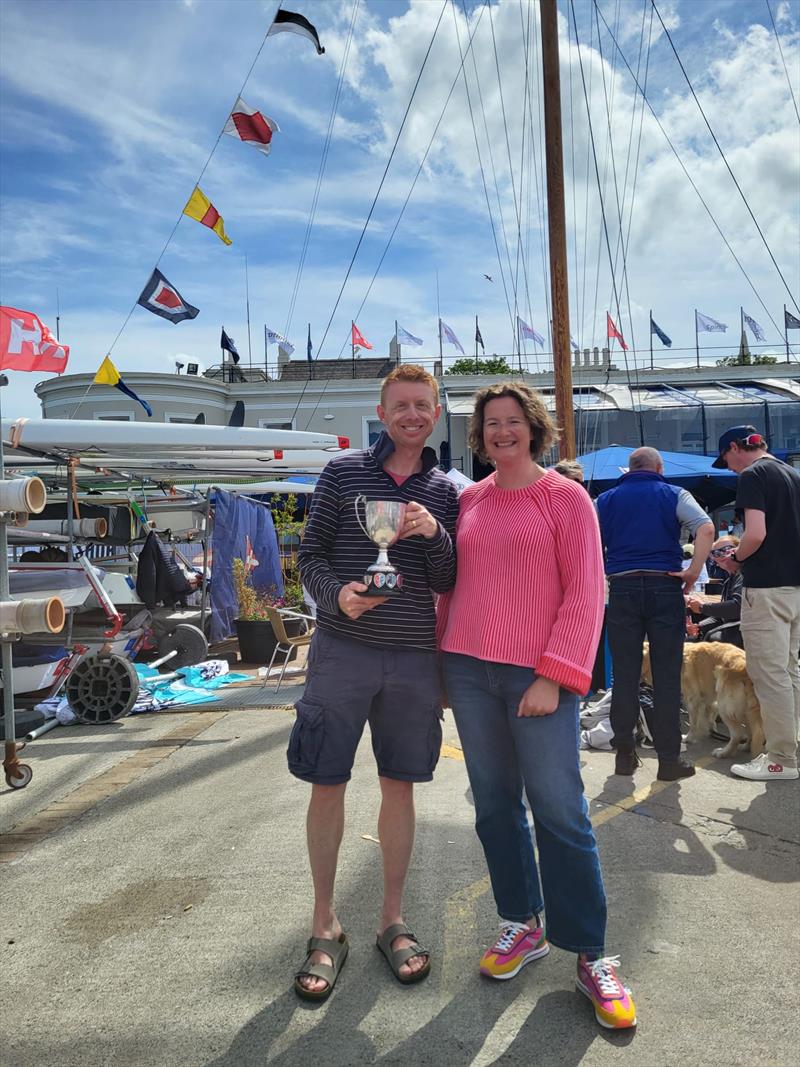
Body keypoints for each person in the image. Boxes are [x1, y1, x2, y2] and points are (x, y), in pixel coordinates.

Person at [439, 382, 637, 1031]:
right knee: (494, 804)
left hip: (538, 673)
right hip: (469, 669)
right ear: (480, 434)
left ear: (534, 428)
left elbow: (586, 592)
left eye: (512, 421)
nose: (502, 432)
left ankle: (591, 953)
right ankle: (521, 923)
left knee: (559, 808)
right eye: (491, 424)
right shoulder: (468, 500)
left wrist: (554, 675)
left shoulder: (567, 499)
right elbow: (453, 585)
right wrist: (442, 665)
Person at [289, 364, 459, 1001]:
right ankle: (325, 923)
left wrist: (435, 532)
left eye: (422, 405)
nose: (412, 415)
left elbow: (446, 579)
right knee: (326, 782)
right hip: (343, 650)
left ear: (435, 412)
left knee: (400, 786)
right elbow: (308, 556)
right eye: (400, 406)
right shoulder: (342, 473)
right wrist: (339, 599)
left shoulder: (444, 490)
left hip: (414, 656)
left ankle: (392, 917)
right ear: (382, 412)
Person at [596, 446, 715, 780]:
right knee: (665, 677)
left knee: (625, 675)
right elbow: (705, 529)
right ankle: (668, 760)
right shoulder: (674, 493)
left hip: (622, 587)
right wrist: (693, 570)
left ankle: (624, 754)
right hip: (665, 586)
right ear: (659, 467)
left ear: (628, 470)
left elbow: (588, 539)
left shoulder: (605, 500)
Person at [712, 425, 800, 781]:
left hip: (766, 589)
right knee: (790, 671)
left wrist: (737, 558)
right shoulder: (792, 473)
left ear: (736, 448)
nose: (730, 468)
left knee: (769, 675)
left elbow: (756, 533)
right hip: (796, 588)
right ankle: (791, 747)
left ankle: (781, 758)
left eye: (727, 460)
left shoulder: (753, 474)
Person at [686, 536, 743, 647]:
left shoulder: (744, 575)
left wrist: (703, 607)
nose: (724, 554)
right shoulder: (730, 579)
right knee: (689, 641)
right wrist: (699, 626)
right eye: (716, 553)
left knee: (705, 640)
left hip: (742, 634)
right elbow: (721, 616)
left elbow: (737, 607)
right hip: (732, 630)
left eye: (727, 549)